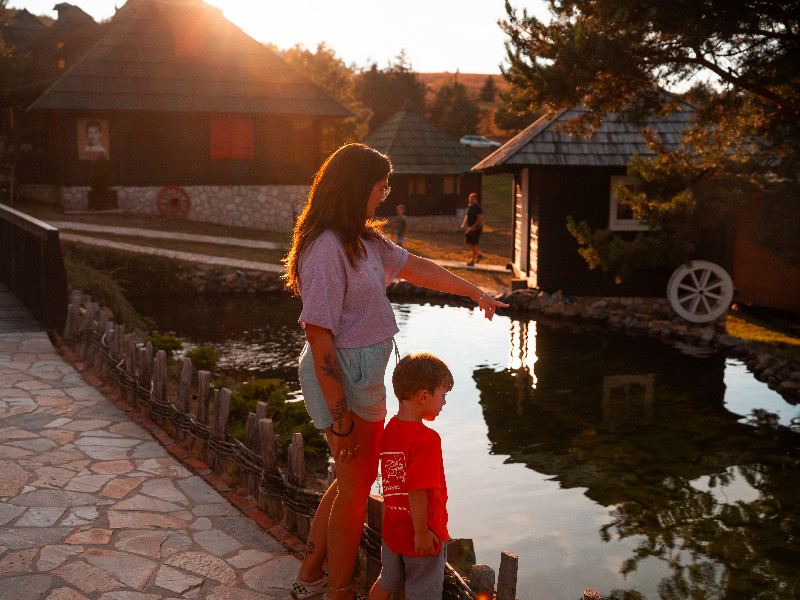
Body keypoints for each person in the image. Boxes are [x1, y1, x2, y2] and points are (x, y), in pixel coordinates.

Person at [282, 143, 507, 600]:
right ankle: (338, 590)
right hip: (341, 377)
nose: (382, 196)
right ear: (355, 187)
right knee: (354, 489)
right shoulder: (327, 249)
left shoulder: (362, 240)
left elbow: (418, 268)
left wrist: (473, 291)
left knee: (352, 480)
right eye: (379, 188)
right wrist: (341, 417)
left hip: (361, 374)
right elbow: (319, 337)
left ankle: (308, 576)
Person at [369, 353, 452, 600]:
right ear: (424, 396)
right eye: (443, 395)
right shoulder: (427, 440)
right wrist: (422, 533)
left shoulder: (389, 430)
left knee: (387, 582)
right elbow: (416, 490)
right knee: (423, 594)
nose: (444, 403)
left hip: (394, 531)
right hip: (422, 536)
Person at [460, 193, 483, 266]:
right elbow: (466, 216)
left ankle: (472, 261)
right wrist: (464, 224)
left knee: (474, 245)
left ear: (476, 200)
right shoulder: (469, 206)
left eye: (472, 199)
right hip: (469, 227)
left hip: (476, 228)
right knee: (467, 243)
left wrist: (473, 227)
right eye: (470, 198)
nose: (471, 200)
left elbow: (479, 219)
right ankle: (478, 255)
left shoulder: (478, 208)